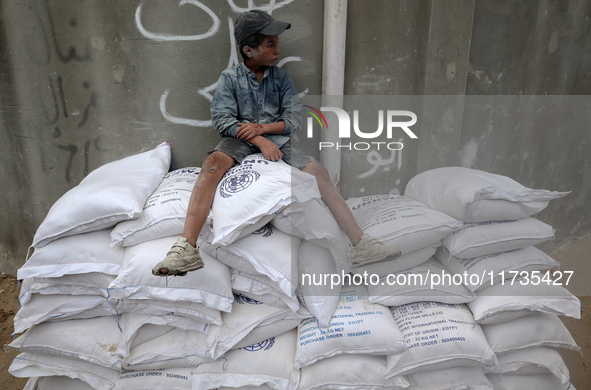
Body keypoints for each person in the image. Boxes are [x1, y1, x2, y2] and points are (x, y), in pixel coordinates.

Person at [152, 10, 401, 277]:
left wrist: (264, 130)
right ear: (249, 50)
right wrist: (259, 140)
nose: (277, 50)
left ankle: (360, 244)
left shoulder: (281, 79)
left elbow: (293, 118)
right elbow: (222, 120)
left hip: (281, 139)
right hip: (238, 140)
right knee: (212, 164)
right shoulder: (230, 78)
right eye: (270, 44)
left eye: (277, 43)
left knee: (318, 172)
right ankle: (186, 248)